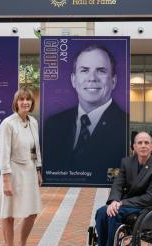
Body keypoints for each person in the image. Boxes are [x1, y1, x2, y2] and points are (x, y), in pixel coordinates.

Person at [43, 45, 128, 184]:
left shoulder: (125, 125)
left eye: (101, 71)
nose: (92, 78)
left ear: (113, 81)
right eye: (84, 70)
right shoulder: (53, 124)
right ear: (73, 80)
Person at [95, 131, 152, 246]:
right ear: (134, 146)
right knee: (101, 212)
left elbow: (150, 197)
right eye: (140, 142)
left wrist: (121, 203)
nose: (143, 145)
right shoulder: (126, 162)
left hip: (144, 206)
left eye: (146, 142)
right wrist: (113, 201)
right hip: (125, 203)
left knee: (114, 214)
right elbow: (118, 184)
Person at [0, 87, 42, 246]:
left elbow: (35, 149)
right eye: (21, 99)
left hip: (29, 171)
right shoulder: (7, 124)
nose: (25, 102)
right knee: (9, 214)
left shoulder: (33, 122)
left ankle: (21, 245)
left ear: (32, 103)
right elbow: (3, 154)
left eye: (28, 100)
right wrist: (6, 180)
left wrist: (38, 169)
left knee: (33, 211)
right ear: (16, 102)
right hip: (12, 172)